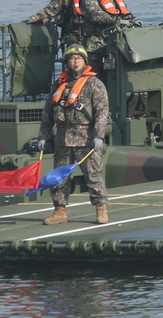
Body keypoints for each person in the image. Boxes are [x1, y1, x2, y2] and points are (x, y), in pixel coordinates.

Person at [33, 46, 110, 226]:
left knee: (93, 176)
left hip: (86, 140)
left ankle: (101, 209)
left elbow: (102, 111)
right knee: (59, 179)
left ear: (84, 61)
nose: (75, 62)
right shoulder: (59, 85)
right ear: (66, 62)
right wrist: (43, 136)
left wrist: (98, 135)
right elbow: (48, 113)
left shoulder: (94, 84)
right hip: (63, 140)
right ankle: (59, 211)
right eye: (72, 59)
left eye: (79, 59)